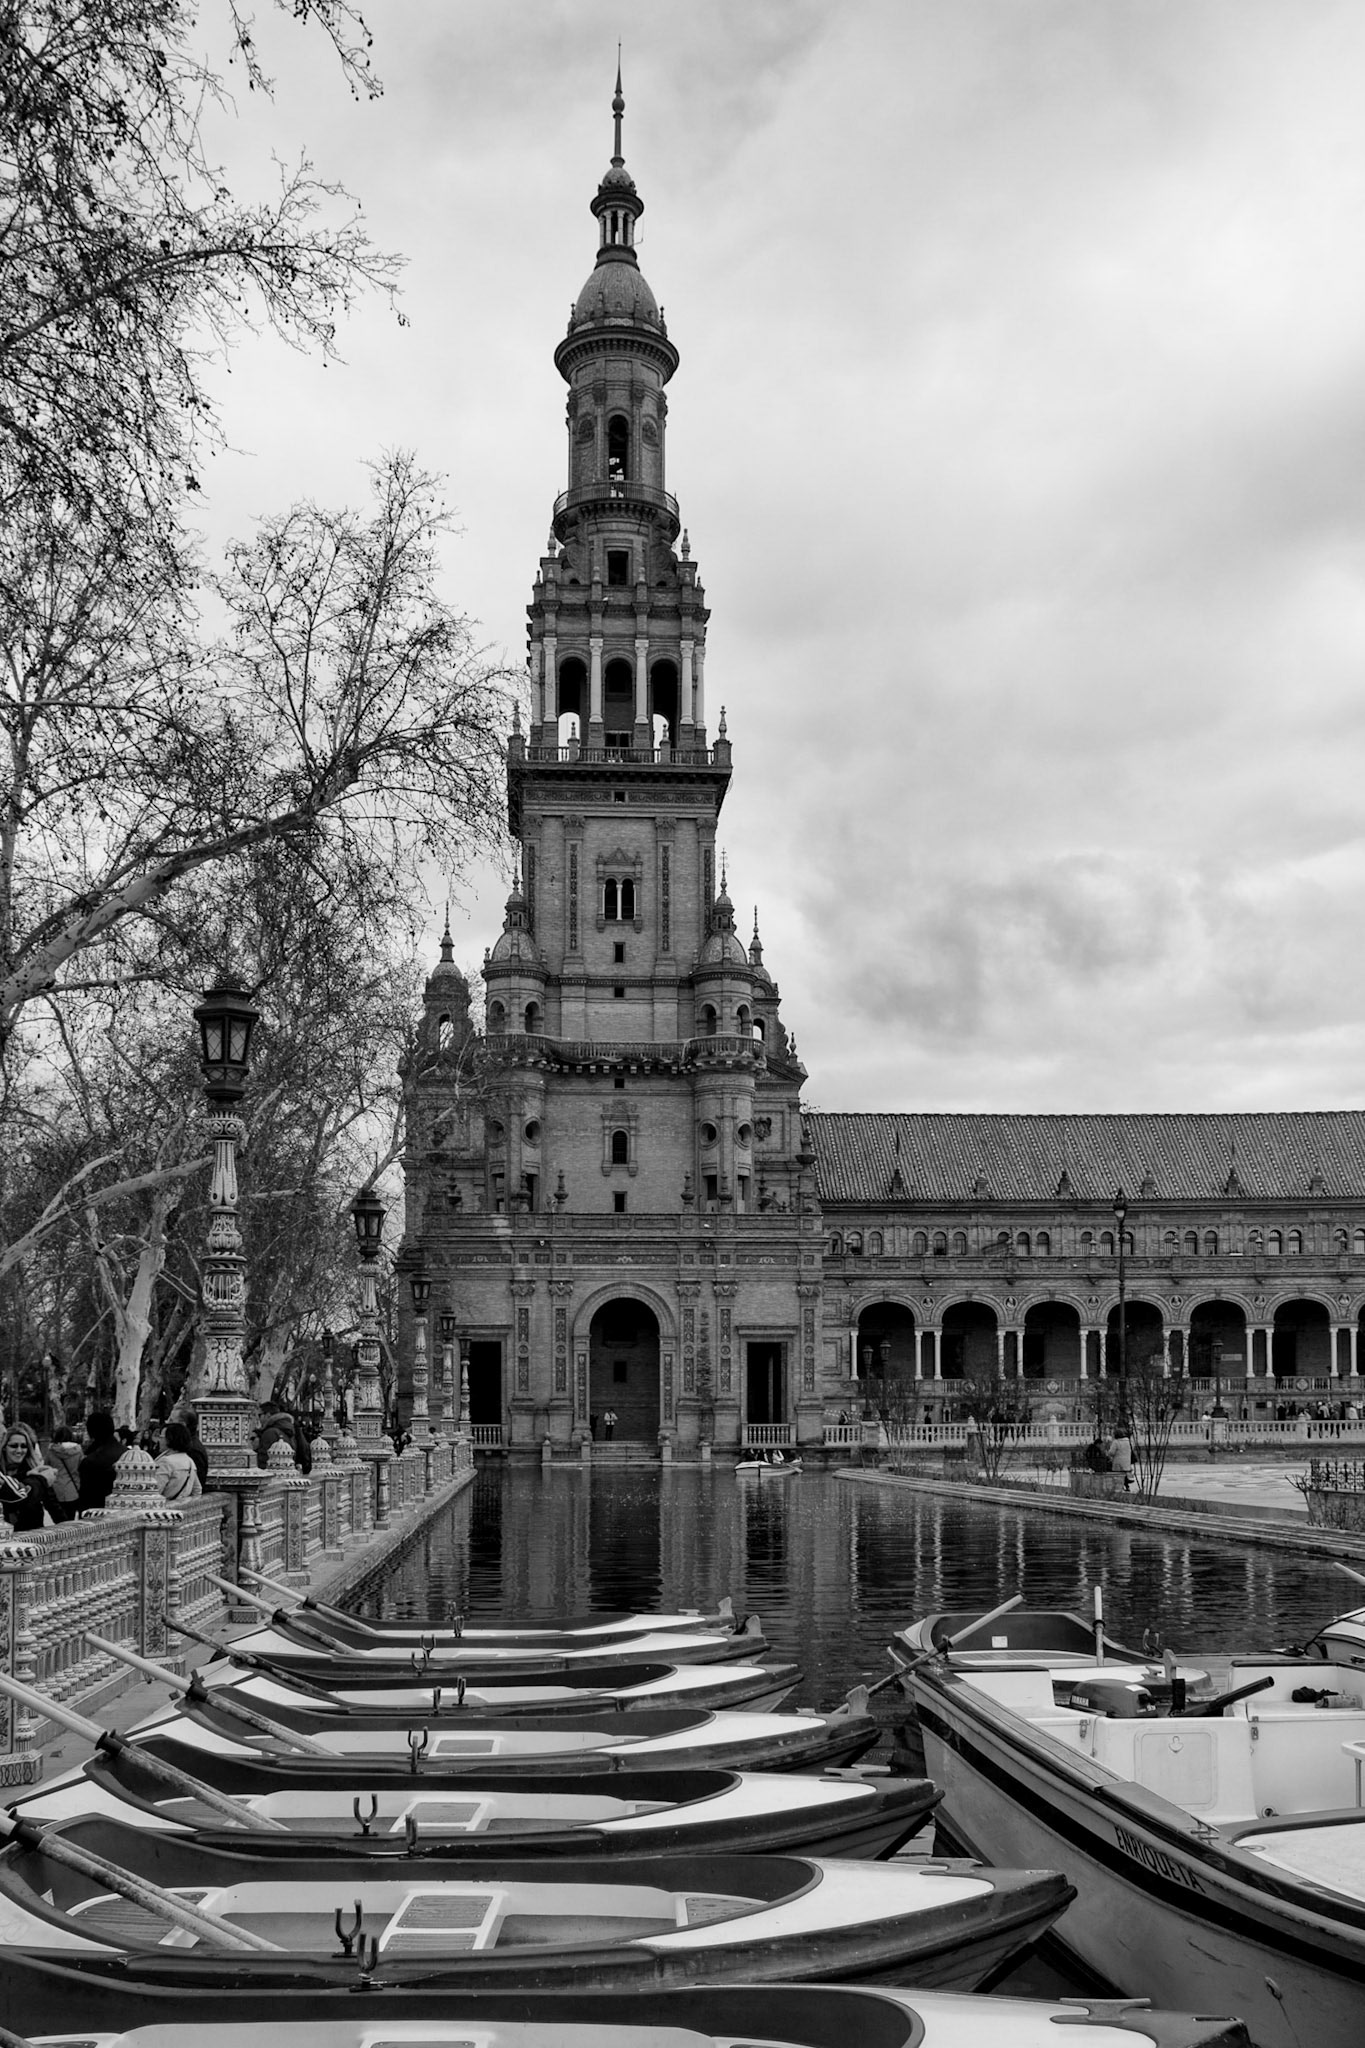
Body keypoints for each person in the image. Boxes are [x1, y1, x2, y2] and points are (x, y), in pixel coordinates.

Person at [0, 1426, 59, 1530]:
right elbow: (12, 1492)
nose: (19, 1450)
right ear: (4, 1447)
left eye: (23, 1446)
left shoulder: (35, 1469)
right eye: (14, 1446)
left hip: (32, 1532)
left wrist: (67, 1528)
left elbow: (52, 1504)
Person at [77, 1410, 124, 1512]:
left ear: (91, 1431)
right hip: (126, 1512)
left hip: (98, 1514)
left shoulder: (90, 1461)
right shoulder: (128, 1454)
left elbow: (85, 1499)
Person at [152, 1421, 202, 1502]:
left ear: (169, 1439)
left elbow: (155, 1491)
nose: (159, 1441)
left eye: (161, 1437)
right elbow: (197, 1490)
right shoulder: (189, 1461)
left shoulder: (165, 1461)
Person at [45, 1425, 83, 1520]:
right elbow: (81, 1468)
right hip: (73, 1489)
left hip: (56, 1490)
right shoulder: (78, 1451)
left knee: (59, 1520)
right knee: (71, 1518)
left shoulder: (51, 1451)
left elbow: (46, 1468)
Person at [172, 1405, 210, 1489]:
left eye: (171, 1421)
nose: (168, 1424)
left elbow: (197, 1483)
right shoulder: (185, 1445)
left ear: (182, 1424)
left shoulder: (192, 1449)